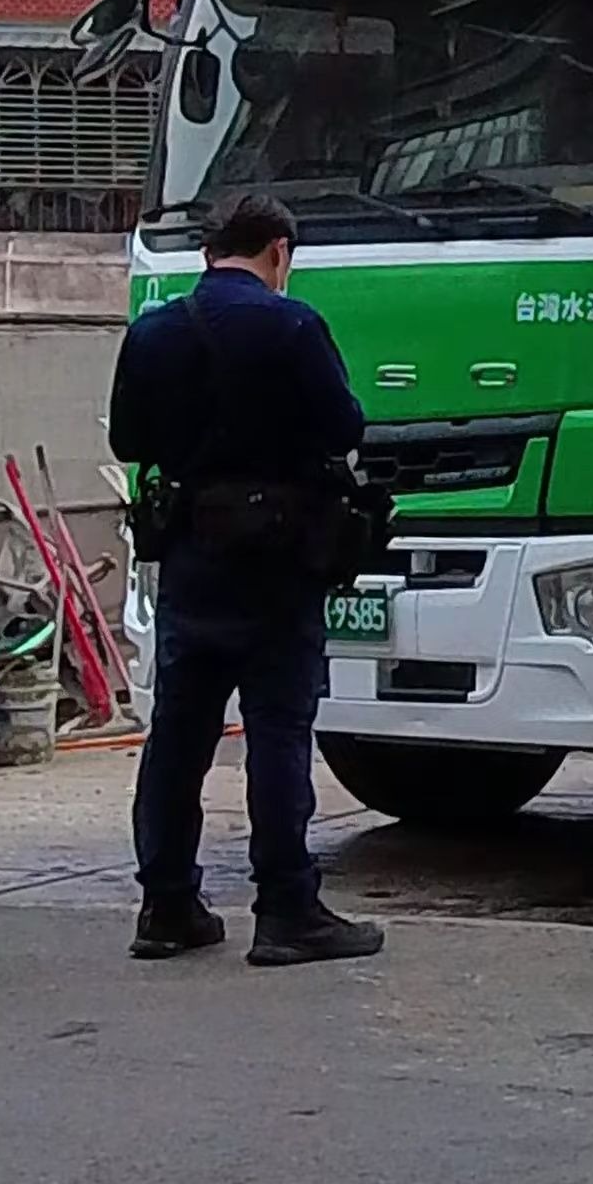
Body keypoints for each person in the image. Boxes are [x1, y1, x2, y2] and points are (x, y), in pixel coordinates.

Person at [106, 194, 385, 969]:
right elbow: (344, 427)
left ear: (207, 255)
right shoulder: (292, 326)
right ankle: (286, 910)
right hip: (280, 559)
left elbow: (129, 437)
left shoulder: (155, 330)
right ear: (278, 252)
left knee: (179, 737)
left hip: (191, 556)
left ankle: (165, 906)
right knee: (277, 731)